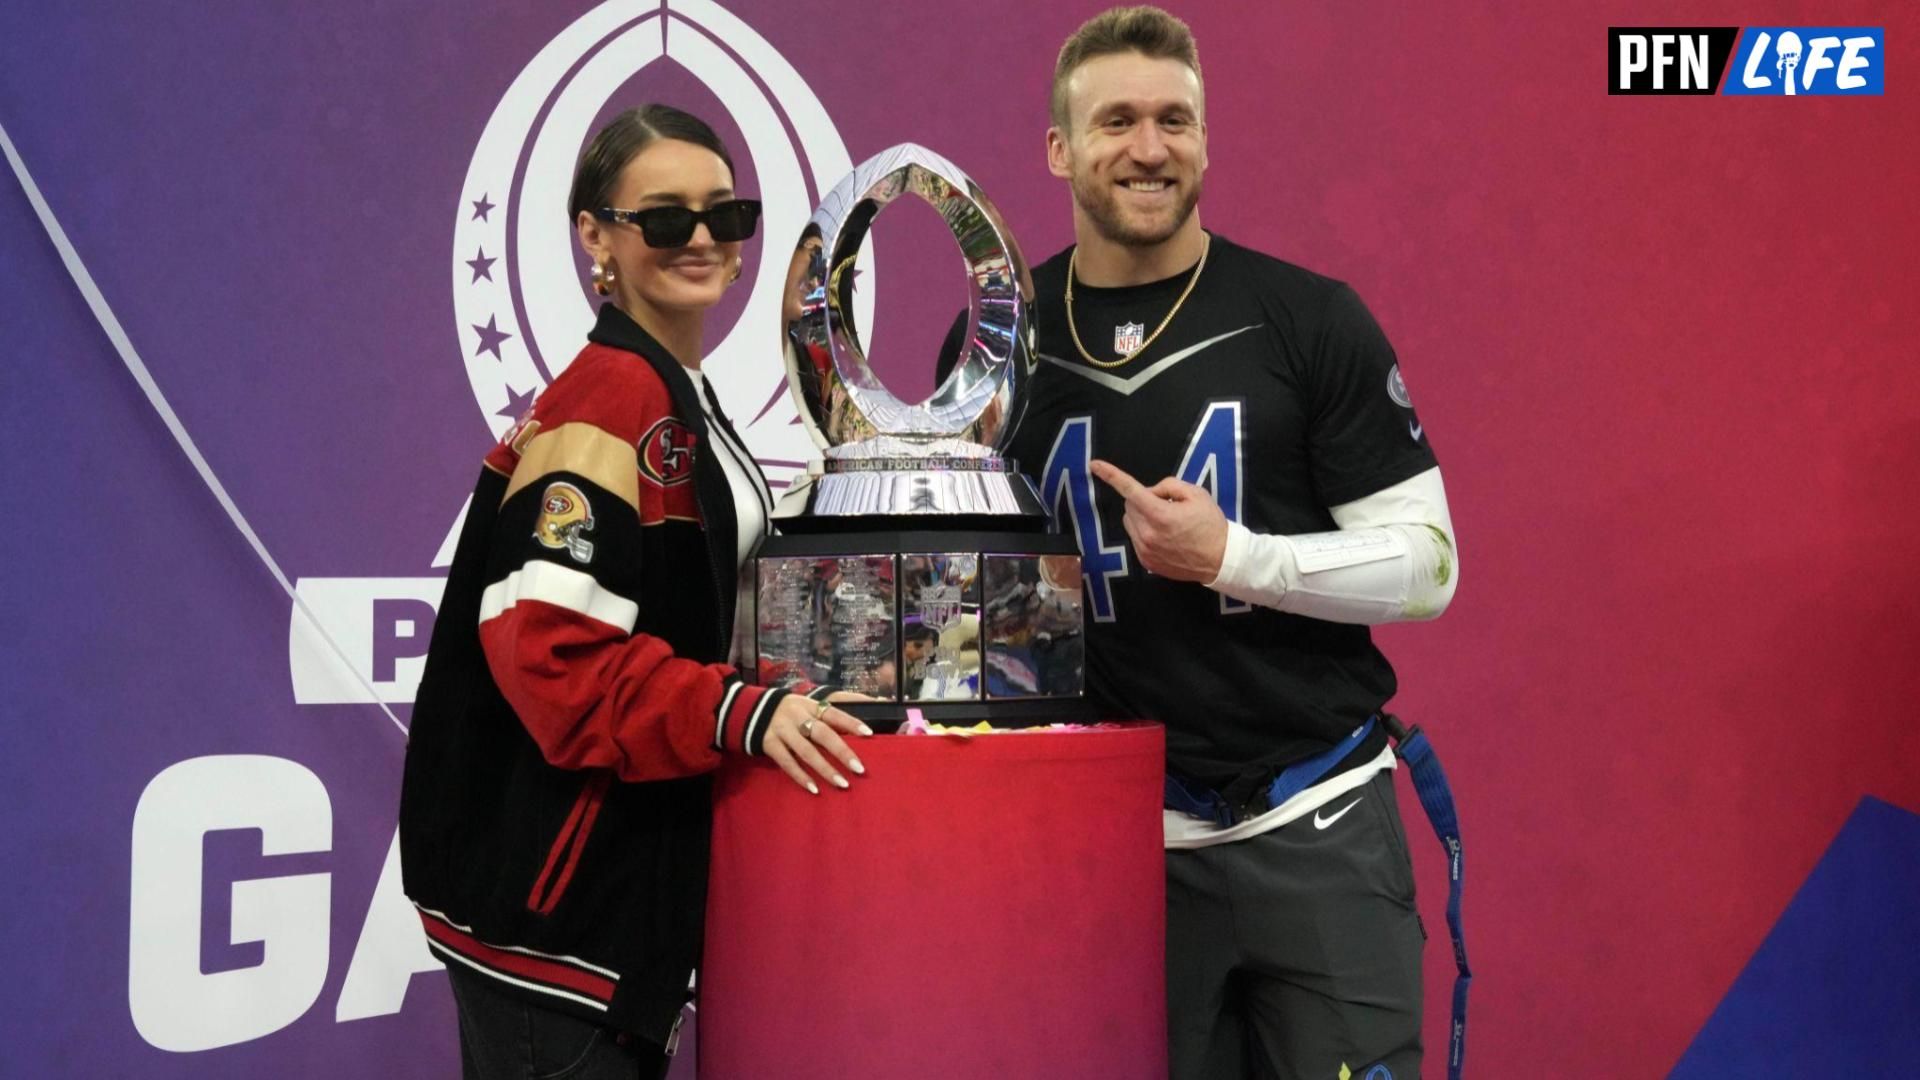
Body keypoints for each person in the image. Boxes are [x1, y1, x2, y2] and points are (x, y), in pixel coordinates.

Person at [943, 8, 1462, 1077]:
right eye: (1116, 121)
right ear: (1057, 148)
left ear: (1208, 139)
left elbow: (1428, 566)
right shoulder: (998, 342)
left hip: (1316, 818)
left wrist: (1235, 558)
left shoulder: (1309, 318)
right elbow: (971, 606)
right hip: (1120, 853)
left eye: (1175, 120)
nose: (1148, 148)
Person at [399, 104, 870, 1079]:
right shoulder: (612, 397)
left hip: (609, 896)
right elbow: (551, 658)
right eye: (663, 218)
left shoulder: (674, 389)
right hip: (556, 912)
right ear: (595, 236)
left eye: (723, 215)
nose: (699, 239)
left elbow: (683, 601)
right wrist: (737, 709)